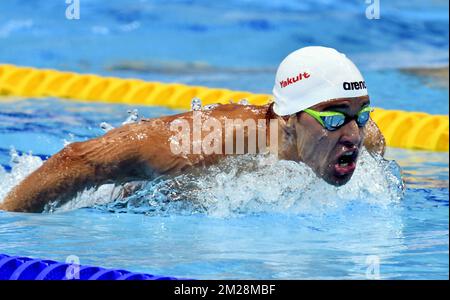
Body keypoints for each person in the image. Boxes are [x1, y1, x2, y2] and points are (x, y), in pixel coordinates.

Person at [0, 46, 385, 213]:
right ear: (288, 118)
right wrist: (11, 221)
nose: (352, 134)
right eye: (333, 117)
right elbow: (80, 159)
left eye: (361, 114)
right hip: (124, 204)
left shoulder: (367, 142)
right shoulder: (209, 142)